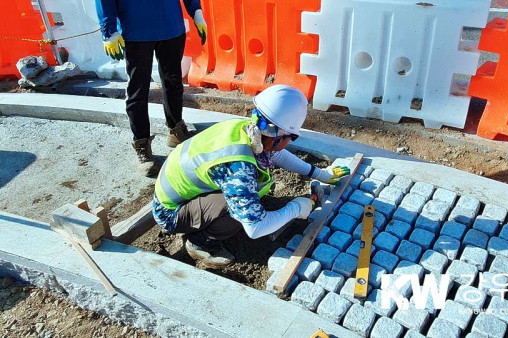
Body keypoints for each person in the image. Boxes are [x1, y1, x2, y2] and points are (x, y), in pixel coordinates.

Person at [151, 85, 351, 267]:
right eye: (292, 137)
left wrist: (318, 173)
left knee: (245, 195)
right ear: (278, 135)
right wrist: (296, 208)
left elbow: (276, 152)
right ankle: (201, 242)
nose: (290, 142)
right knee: (239, 209)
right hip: (170, 213)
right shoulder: (238, 167)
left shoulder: (250, 129)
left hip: (181, 192)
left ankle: (214, 217)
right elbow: (255, 229)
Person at [95, 0, 208, 176]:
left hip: (171, 27)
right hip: (135, 31)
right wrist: (108, 30)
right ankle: (142, 144)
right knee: (138, 91)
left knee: (174, 83)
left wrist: (196, 11)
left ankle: (176, 129)